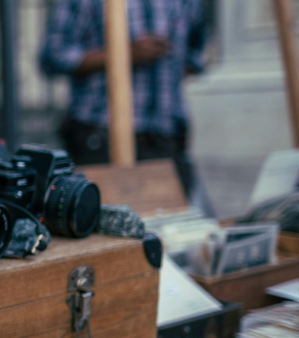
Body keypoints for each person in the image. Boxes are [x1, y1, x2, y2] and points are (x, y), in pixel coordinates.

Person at [40, 0, 207, 196]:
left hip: (164, 135)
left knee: (170, 221)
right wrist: (120, 53)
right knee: (104, 220)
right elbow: (53, 55)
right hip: (99, 136)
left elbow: (195, 51)